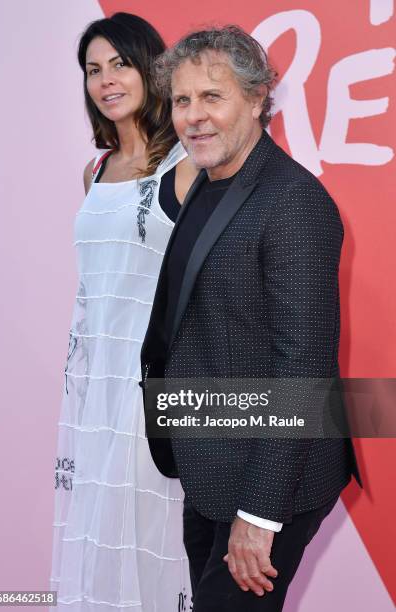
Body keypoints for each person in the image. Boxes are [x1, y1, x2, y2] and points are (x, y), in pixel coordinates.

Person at [140, 26, 362, 612]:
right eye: (182, 101)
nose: (193, 117)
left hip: (271, 481)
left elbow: (304, 369)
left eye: (212, 97)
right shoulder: (209, 183)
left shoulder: (294, 203)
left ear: (259, 98)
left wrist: (259, 514)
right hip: (211, 461)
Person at [50, 12, 197, 612]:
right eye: (92, 69)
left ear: (149, 69)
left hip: (155, 380)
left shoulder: (186, 164)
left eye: (119, 64)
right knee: (104, 531)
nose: (106, 80)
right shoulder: (95, 170)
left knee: (158, 530)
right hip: (97, 382)